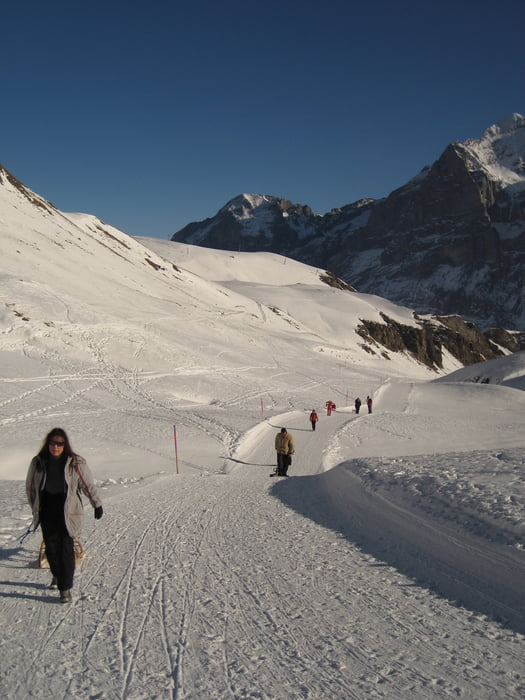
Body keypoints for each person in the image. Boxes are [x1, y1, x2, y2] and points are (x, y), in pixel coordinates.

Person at [26, 428, 103, 603]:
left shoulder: (75, 462)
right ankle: (57, 575)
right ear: (48, 443)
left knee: (66, 548)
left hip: (68, 509)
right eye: (53, 443)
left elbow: (87, 484)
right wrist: (35, 508)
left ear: (65, 445)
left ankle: (65, 587)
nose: (56, 447)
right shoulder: (38, 462)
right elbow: (31, 488)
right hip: (47, 508)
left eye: (60, 443)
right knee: (51, 548)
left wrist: (96, 504)